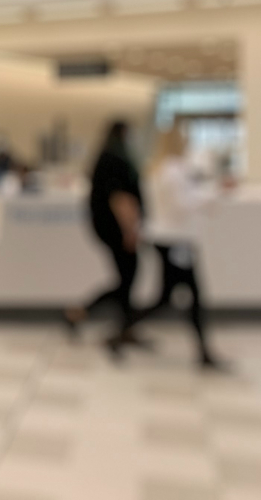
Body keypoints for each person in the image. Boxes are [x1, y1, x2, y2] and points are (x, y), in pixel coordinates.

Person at [142, 126, 229, 371]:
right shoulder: (171, 172)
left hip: (169, 239)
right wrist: (210, 198)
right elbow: (180, 205)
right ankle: (204, 353)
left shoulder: (162, 169)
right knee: (191, 296)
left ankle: (120, 333)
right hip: (176, 241)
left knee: (167, 297)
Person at [65, 120, 145, 356]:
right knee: (127, 277)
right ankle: (81, 312)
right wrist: (130, 229)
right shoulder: (116, 158)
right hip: (115, 228)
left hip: (108, 226)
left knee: (126, 278)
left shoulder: (105, 155)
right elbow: (119, 197)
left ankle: (124, 326)